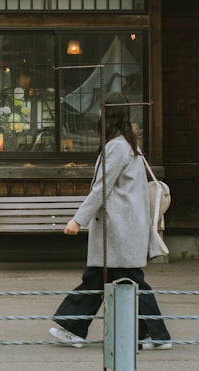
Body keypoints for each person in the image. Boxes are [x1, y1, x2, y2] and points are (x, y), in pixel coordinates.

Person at [49, 92, 172, 350]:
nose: (99, 115)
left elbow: (101, 189)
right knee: (110, 279)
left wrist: (77, 220)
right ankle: (151, 336)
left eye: (103, 111)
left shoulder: (117, 146)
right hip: (124, 227)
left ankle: (77, 330)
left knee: (112, 279)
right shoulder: (129, 145)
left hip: (119, 229)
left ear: (110, 115)